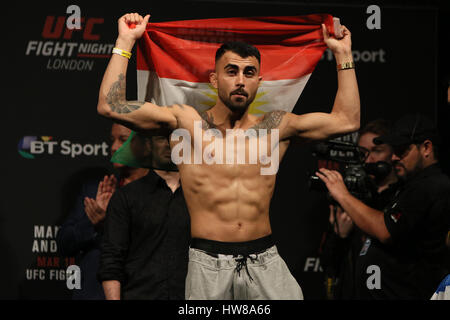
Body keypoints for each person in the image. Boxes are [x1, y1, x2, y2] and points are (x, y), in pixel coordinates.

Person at [97, 13, 360, 300]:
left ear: (259, 81)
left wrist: (343, 53)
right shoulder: (188, 124)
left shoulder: (276, 126)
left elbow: (346, 121)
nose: (240, 80)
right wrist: (125, 41)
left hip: (265, 259)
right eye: (231, 71)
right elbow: (111, 106)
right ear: (213, 79)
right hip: (208, 264)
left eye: (248, 73)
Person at [317, 113, 450, 299]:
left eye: (402, 150)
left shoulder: (432, 186)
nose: (395, 157)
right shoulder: (410, 187)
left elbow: (384, 230)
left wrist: (342, 194)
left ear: (426, 148)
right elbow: (331, 265)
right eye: (363, 152)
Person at [57, 123, 148, 299]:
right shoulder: (95, 190)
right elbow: (64, 243)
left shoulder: (161, 194)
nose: (113, 147)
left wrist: (107, 225)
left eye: (123, 140)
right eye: (112, 140)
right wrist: (92, 223)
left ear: (146, 145)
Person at [98, 135, 190, 300]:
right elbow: (111, 259)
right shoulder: (126, 197)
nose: (169, 144)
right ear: (149, 144)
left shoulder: (200, 198)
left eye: (175, 137)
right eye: (162, 138)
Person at [320, 119, 399, 299]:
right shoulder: (350, 196)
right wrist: (340, 236)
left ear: (393, 153)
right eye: (363, 152)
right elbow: (329, 265)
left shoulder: (402, 196)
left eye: (377, 151)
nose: (368, 159)